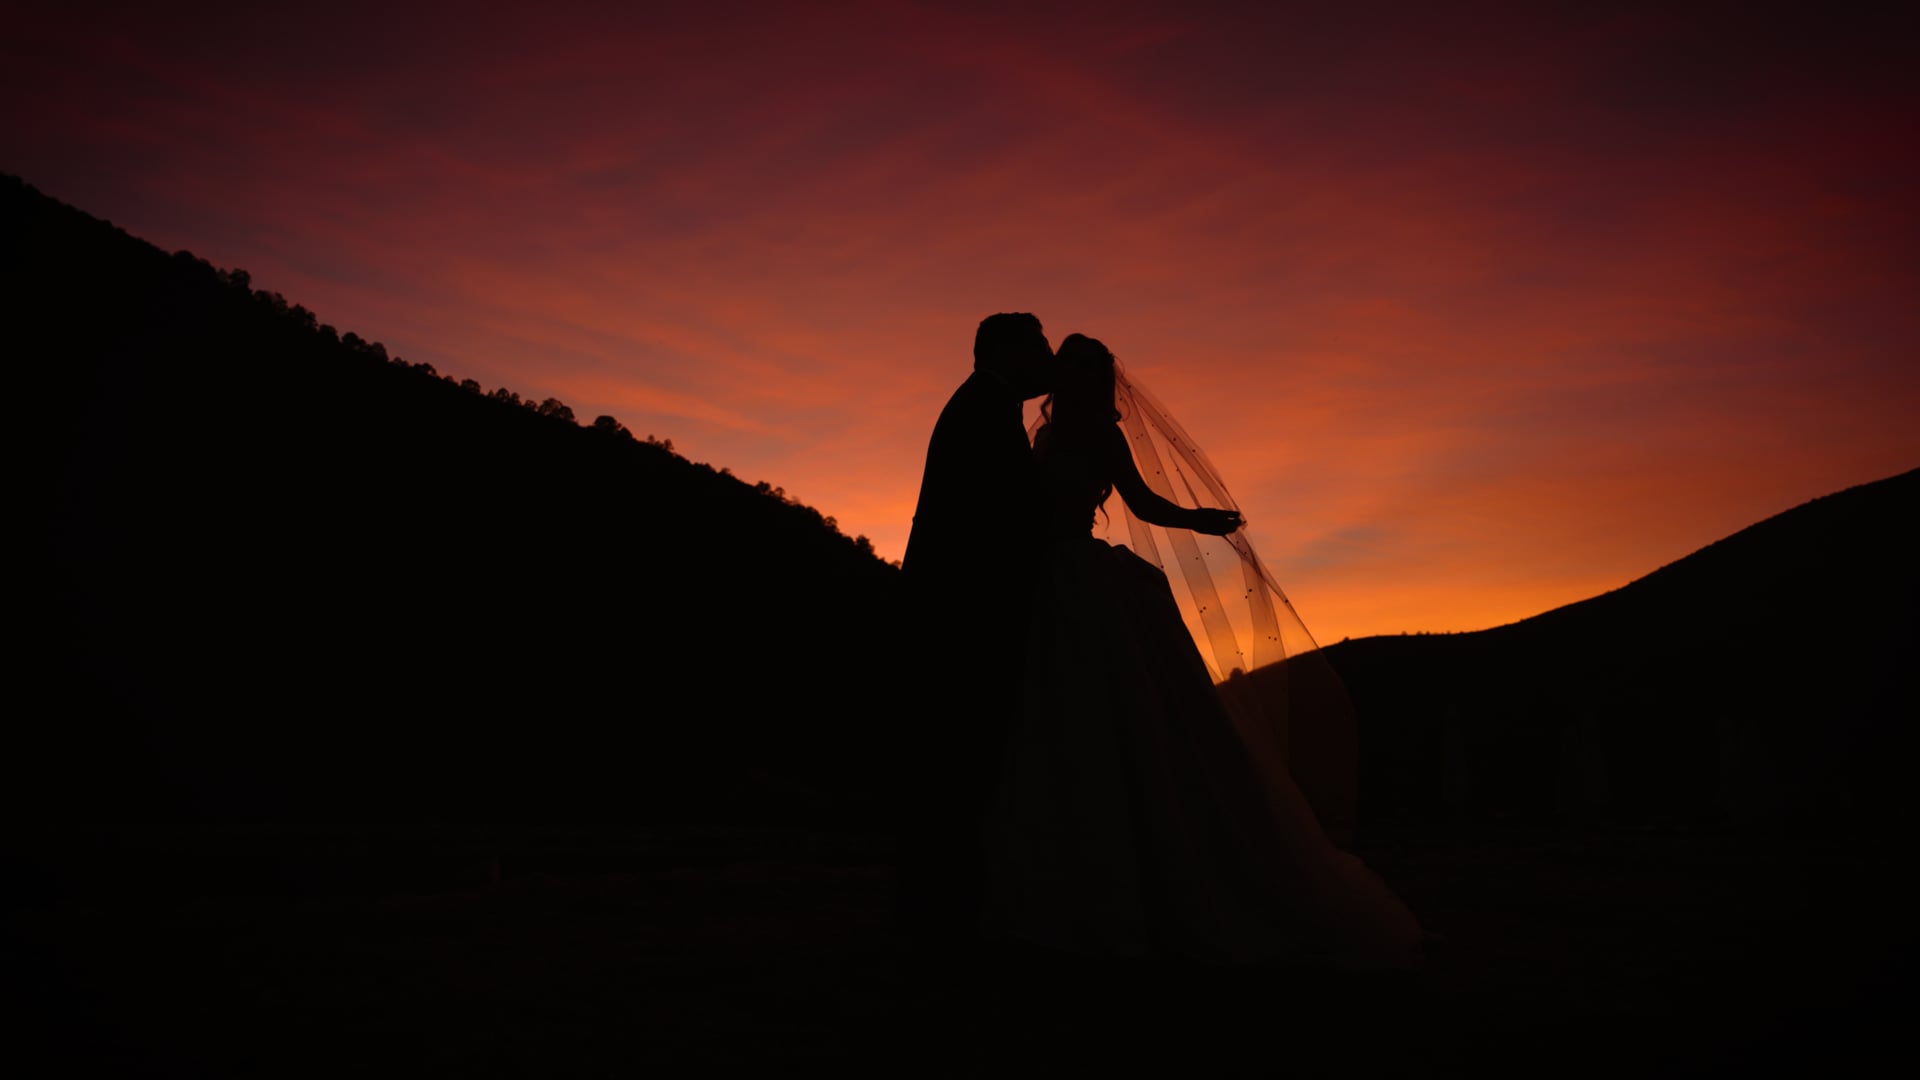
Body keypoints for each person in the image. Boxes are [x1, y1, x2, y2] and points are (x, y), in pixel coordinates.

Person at [983, 333, 1424, 970]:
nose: (1070, 379)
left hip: (1082, 582)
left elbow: (1140, 501)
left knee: (1122, 719)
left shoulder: (1104, 438)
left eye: (1081, 370)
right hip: (1045, 580)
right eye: (1068, 369)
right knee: (1056, 724)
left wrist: (1196, 521)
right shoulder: (1042, 434)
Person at [895, 312, 1055, 959]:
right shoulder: (984, 411)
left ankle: (948, 908)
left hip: (957, 613)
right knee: (964, 760)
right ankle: (947, 920)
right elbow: (995, 522)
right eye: (1039, 348)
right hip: (965, 617)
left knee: (961, 763)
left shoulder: (985, 406)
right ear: (1010, 352)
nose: (1046, 359)